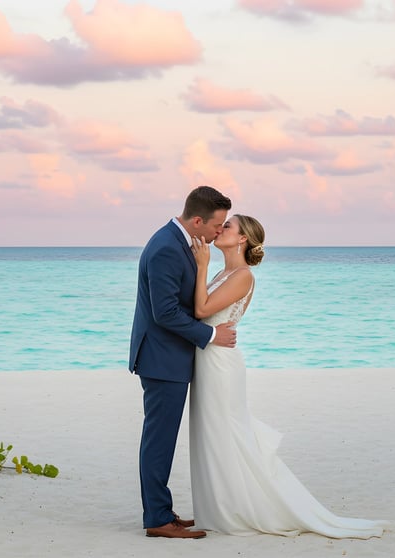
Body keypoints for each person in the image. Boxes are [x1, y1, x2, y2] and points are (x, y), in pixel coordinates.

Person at [188, 214, 393, 538]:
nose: (221, 228)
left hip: (221, 365)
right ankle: (220, 507)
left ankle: (241, 508)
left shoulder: (242, 276)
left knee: (230, 431)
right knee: (211, 433)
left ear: (242, 239)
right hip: (207, 360)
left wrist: (200, 266)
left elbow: (201, 311)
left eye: (228, 226)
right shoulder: (222, 272)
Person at [129, 185, 238, 540]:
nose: (219, 232)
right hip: (161, 358)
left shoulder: (181, 243)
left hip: (169, 357)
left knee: (161, 439)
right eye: (217, 225)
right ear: (196, 220)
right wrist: (209, 336)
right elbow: (165, 313)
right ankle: (158, 519)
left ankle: (162, 510)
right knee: (158, 441)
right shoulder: (165, 249)